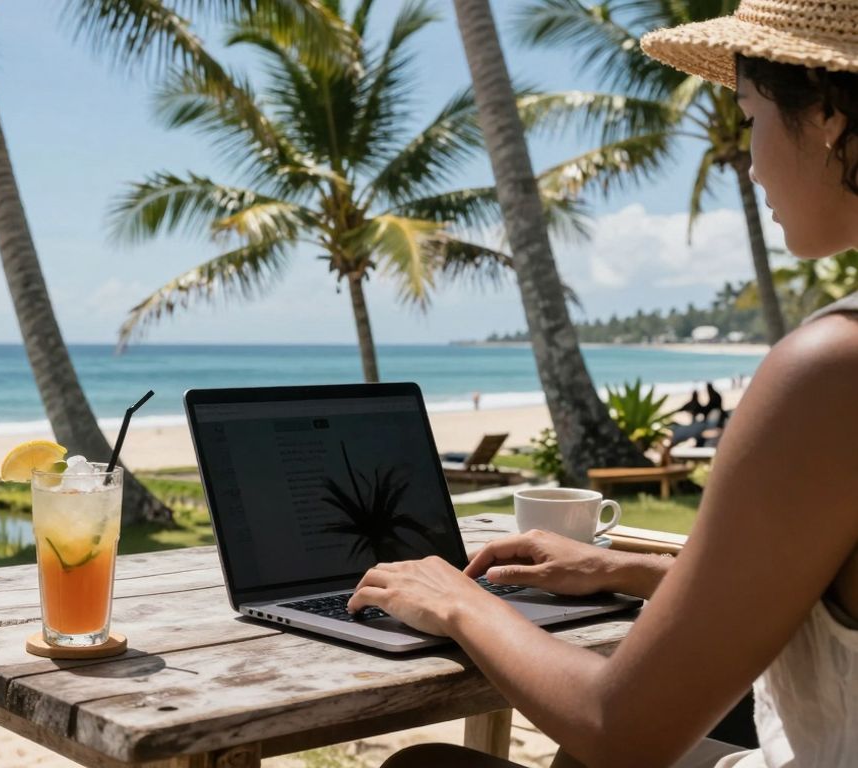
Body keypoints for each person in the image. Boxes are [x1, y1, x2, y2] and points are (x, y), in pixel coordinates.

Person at [353, 3, 858, 766]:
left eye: (750, 112)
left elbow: (621, 728)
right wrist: (629, 568)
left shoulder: (831, 368)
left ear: (825, 112)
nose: (750, 163)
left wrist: (456, 601)